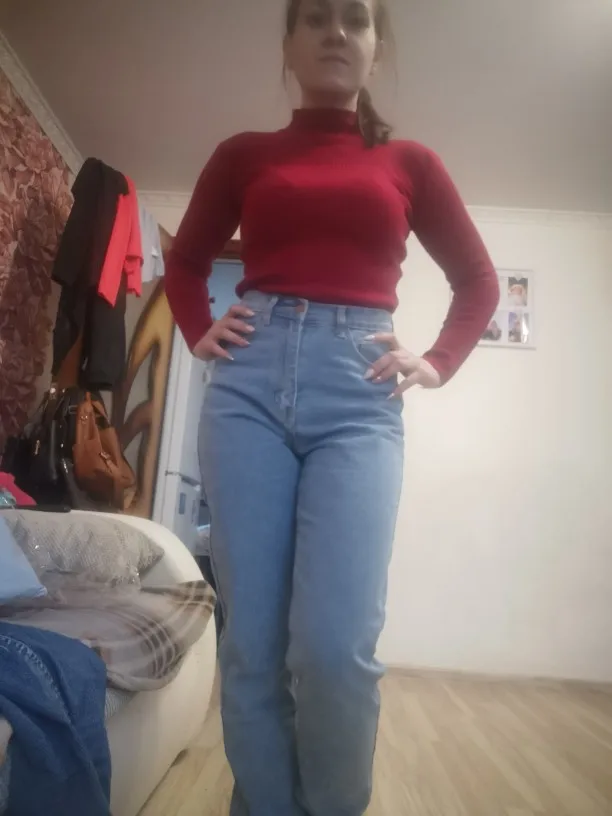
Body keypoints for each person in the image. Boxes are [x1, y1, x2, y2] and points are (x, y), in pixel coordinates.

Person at [165, 1, 499, 814]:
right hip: (247, 389)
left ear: (377, 48)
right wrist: (200, 328)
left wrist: (436, 362)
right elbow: (187, 260)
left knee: (335, 647)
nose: (336, 32)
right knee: (251, 644)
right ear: (288, 44)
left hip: (359, 396)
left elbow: (478, 282)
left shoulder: (411, 163)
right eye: (315, 17)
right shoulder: (242, 154)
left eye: (355, 19)